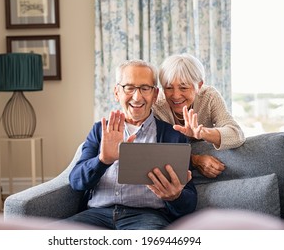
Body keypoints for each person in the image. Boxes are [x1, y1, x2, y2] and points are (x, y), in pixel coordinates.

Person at [67, 59, 197, 230]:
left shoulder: (173, 135)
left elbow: (189, 202)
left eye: (145, 88)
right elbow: (76, 182)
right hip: (96, 214)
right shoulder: (100, 130)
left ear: (155, 94)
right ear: (117, 92)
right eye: (129, 88)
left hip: (147, 217)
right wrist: (102, 160)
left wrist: (176, 196)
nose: (137, 97)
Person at [153, 53, 245, 178]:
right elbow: (154, 151)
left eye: (183, 88)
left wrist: (202, 133)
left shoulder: (209, 96)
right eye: (169, 88)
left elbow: (236, 135)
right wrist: (194, 160)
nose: (175, 95)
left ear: (199, 85)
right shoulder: (157, 105)